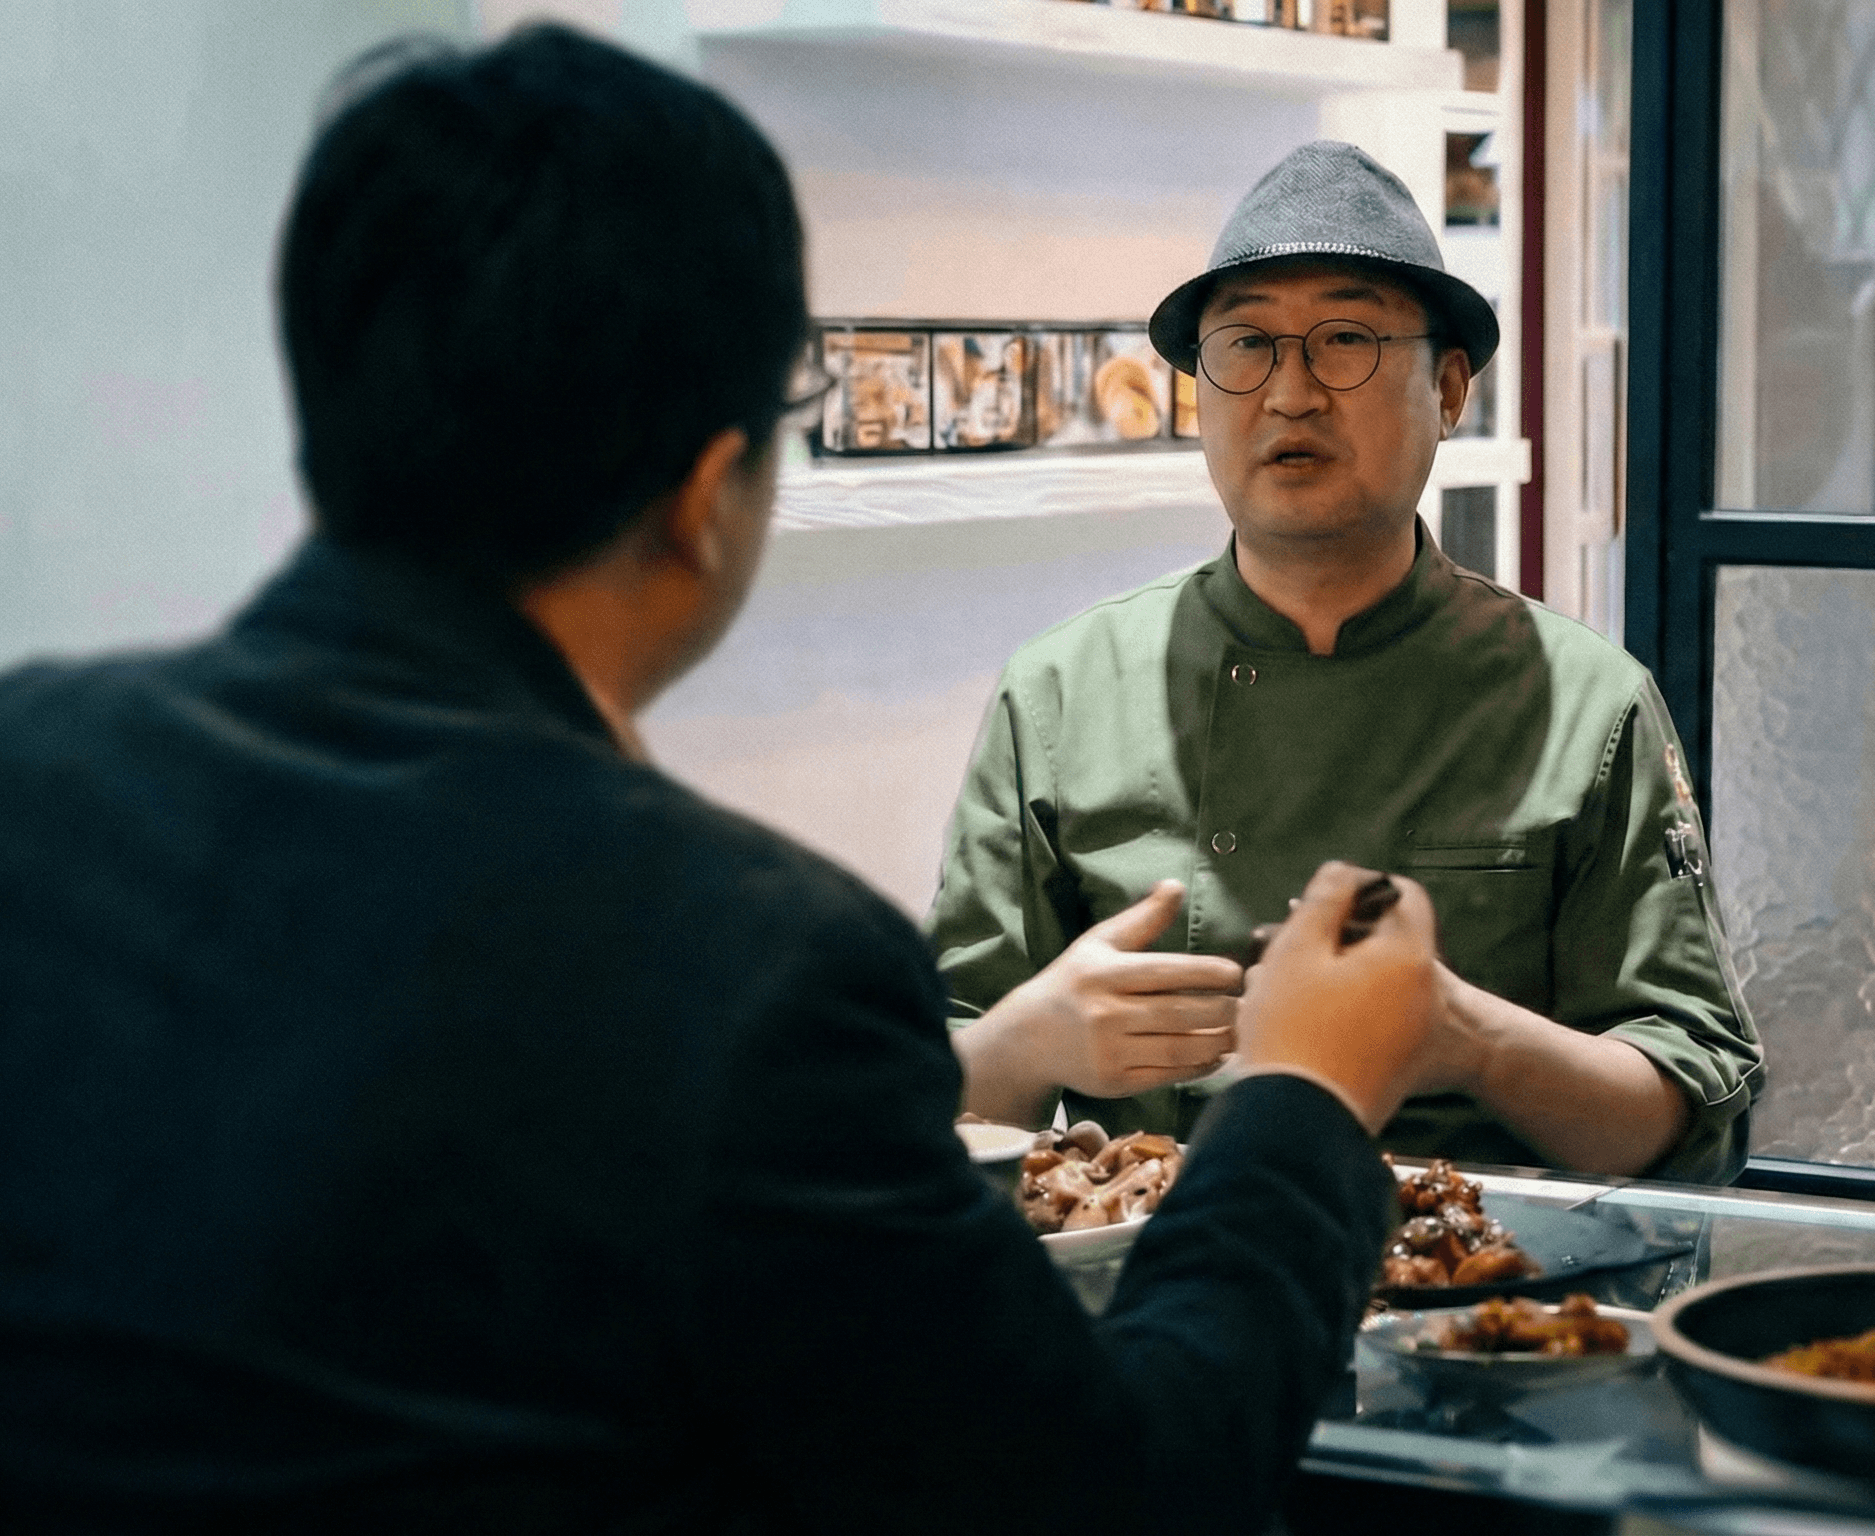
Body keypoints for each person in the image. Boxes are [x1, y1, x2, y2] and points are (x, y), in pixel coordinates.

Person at [0, 29, 1440, 1532]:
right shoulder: (759, 966)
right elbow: (1118, 1494)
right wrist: (1307, 1093)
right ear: (707, 494)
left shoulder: (32, 776)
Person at [930, 142, 1763, 1181]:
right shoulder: (1059, 693)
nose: (1290, 394)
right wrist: (1030, 1040)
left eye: (1346, 339)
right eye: (1244, 345)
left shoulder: (1586, 703)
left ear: (1449, 388)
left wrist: (1463, 1036)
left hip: (1473, 1311)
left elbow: (1683, 1116)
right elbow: (921, 1109)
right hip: (1159, 1294)